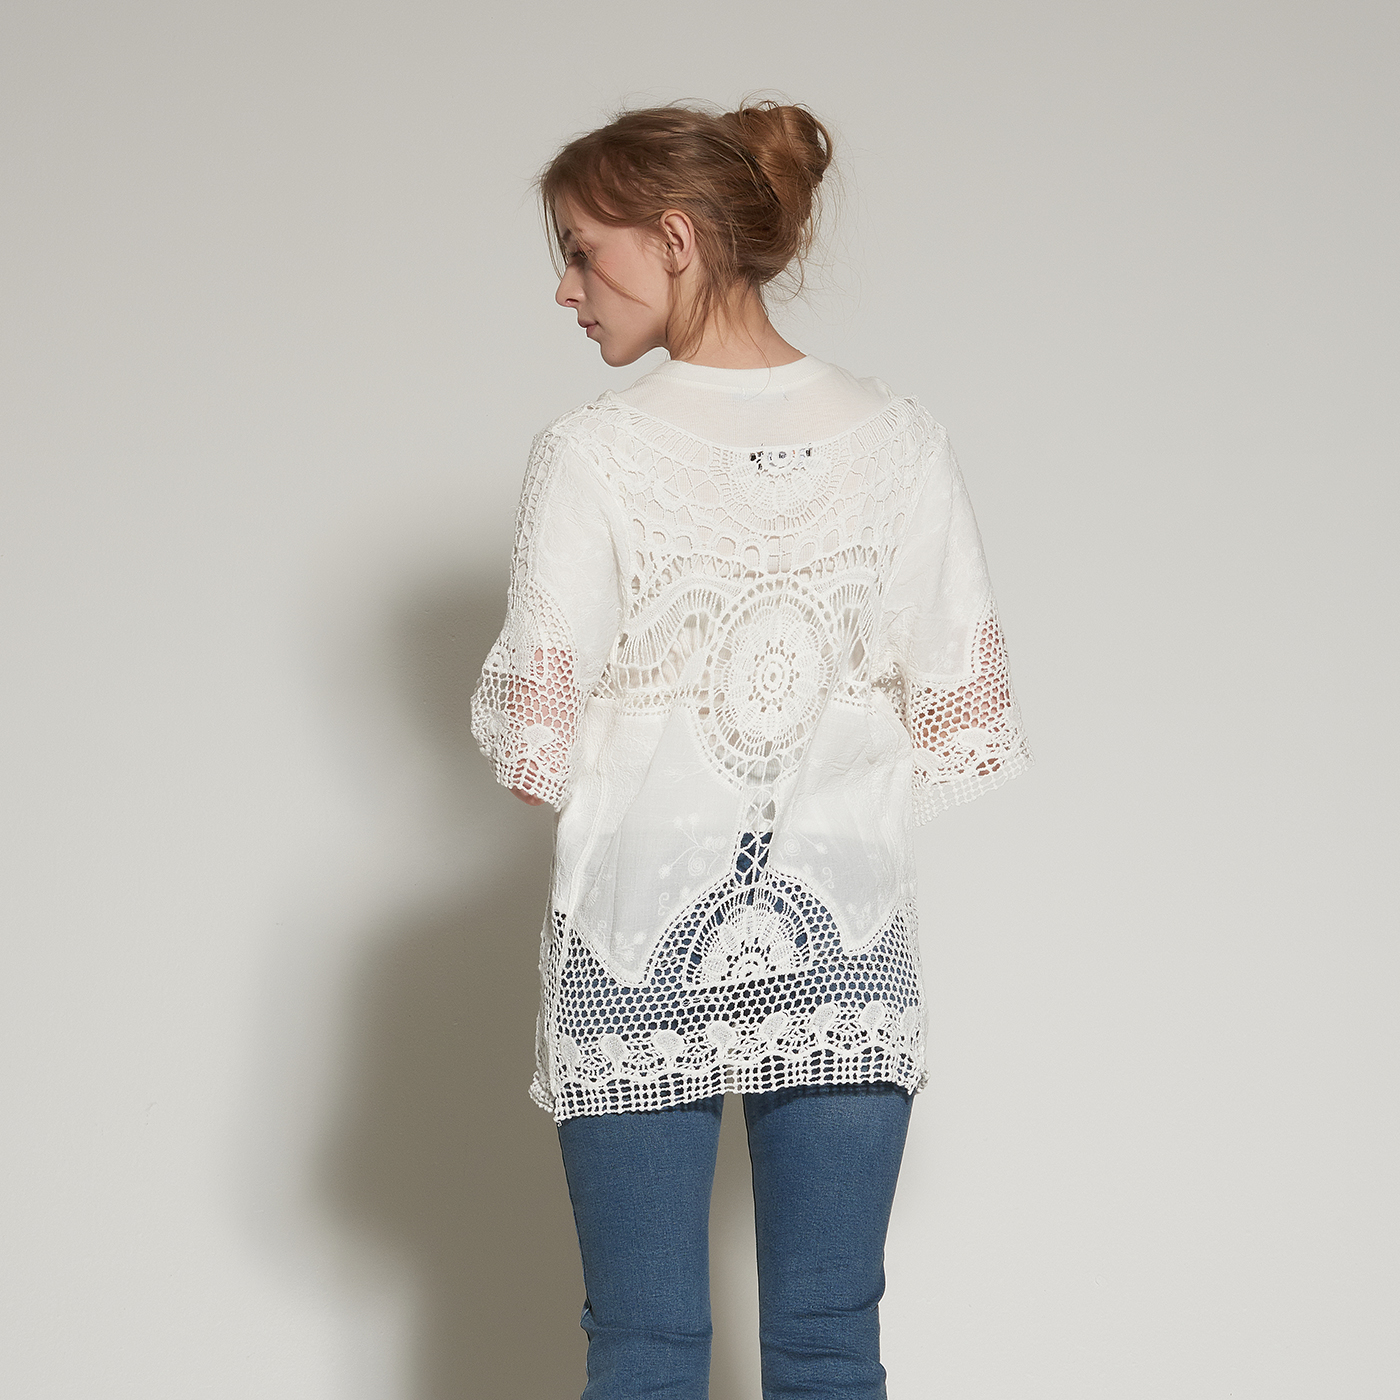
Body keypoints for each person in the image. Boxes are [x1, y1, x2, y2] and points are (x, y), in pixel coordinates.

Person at [471, 98, 1031, 1400]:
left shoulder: (592, 455)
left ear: (673, 238)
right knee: (830, 1346)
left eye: (580, 252)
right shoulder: (903, 441)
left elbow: (532, 746)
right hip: (842, 940)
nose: (565, 290)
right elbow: (959, 713)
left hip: (633, 949)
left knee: (647, 1346)